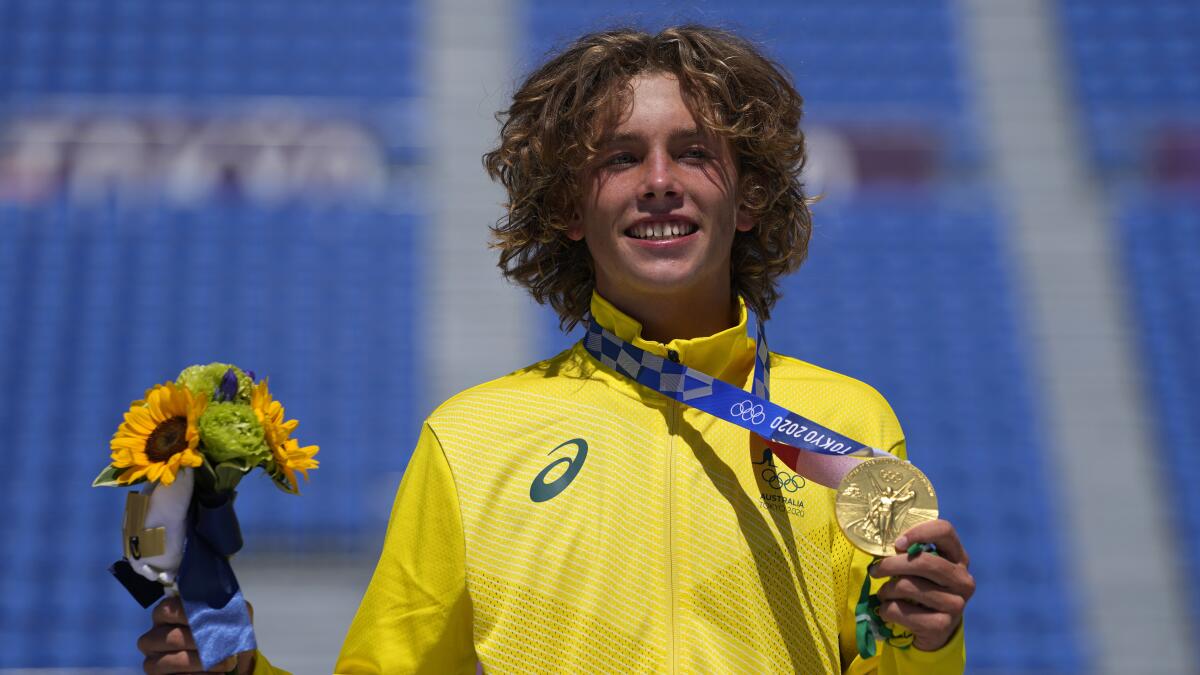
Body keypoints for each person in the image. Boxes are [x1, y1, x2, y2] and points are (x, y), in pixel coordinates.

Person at [138, 25, 974, 674]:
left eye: (694, 152)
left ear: (748, 197)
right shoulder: (470, 439)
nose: (658, 179)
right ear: (569, 207)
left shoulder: (844, 420)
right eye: (620, 158)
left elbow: (892, 651)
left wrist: (927, 640)